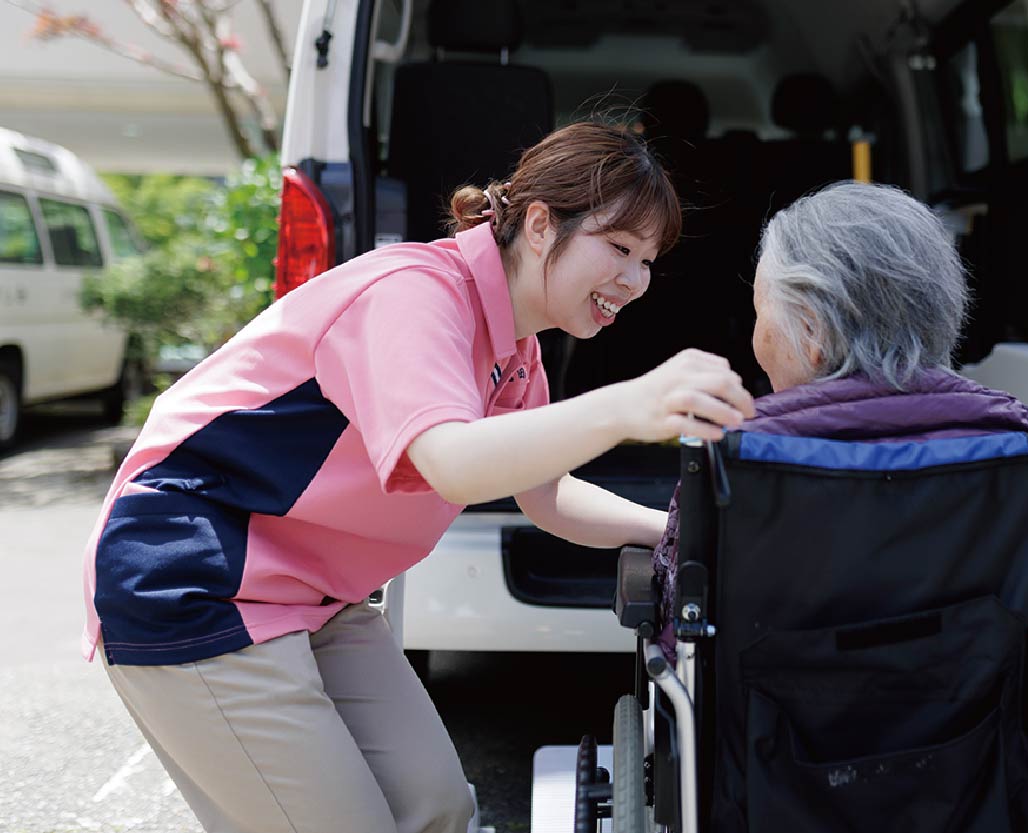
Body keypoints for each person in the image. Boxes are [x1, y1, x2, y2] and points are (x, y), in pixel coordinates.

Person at [82, 121, 755, 833]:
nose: (635, 280)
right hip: (192, 576)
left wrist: (681, 531)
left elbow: (549, 495)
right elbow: (452, 460)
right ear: (537, 224)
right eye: (618, 247)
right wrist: (630, 404)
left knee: (433, 808)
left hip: (315, 591)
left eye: (647, 260)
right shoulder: (416, 293)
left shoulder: (517, 348)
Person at [652, 181, 1028, 659]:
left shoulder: (734, 455)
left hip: (771, 729)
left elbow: (677, 630)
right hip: (966, 725)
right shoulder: (1009, 440)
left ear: (811, 330)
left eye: (758, 312)